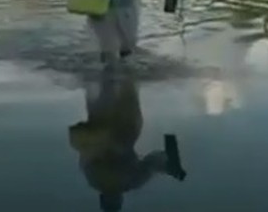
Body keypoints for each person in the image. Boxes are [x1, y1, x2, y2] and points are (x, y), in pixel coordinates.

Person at [68, 68, 187, 212]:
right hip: (99, 124)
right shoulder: (92, 179)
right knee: (102, 81)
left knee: (128, 75)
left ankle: (123, 60)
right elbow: (85, 153)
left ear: (120, 199)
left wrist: (169, 161)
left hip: (125, 127)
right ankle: (103, 64)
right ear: (102, 198)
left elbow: (153, 161)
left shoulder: (131, 182)